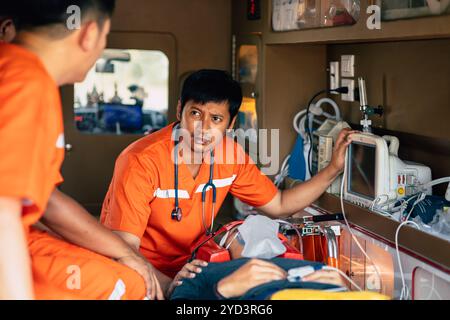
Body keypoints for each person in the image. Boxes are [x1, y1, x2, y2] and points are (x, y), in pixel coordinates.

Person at [100, 69, 357, 295]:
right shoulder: (140, 160)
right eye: (195, 113)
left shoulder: (230, 156)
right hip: (142, 269)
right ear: (180, 110)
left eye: (216, 119)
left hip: (196, 266)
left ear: (231, 123)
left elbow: (279, 205)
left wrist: (333, 169)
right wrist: (170, 286)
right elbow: (124, 250)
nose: (202, 128)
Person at [0, 0, 163, 300]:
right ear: (89, 33)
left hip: (23, 233)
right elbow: (3, 212)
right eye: (106, 36)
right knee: (126, 287)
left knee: (129, 276)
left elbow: (47, 199)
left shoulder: (17, 69)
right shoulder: (26, 82)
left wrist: (127, 254)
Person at [170, 218, 347, 300]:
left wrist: (221, 290)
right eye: (237, 232)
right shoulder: (200, 274)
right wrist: (222, 289)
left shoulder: (201, 274)